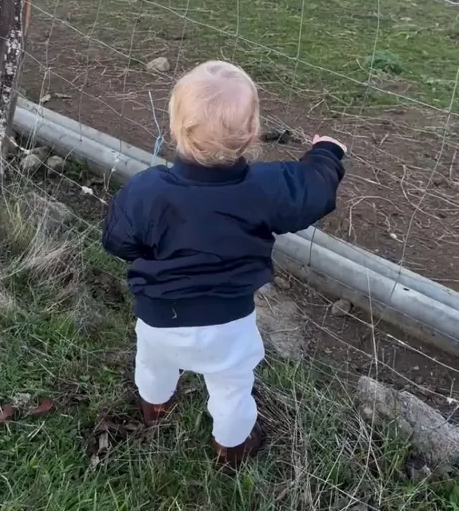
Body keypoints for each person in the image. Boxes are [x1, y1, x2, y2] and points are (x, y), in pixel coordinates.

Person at [102, 61, 346, 466]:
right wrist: (326, 153)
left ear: (176, 126)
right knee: (232, 388)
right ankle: (230, 448)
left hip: (159, 316)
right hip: (228, 325)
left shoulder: (145, 189)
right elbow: (312, 191)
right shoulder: (266, 188)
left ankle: (154, 408)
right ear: (252, 134)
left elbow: (116, 241)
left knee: (152, 363)